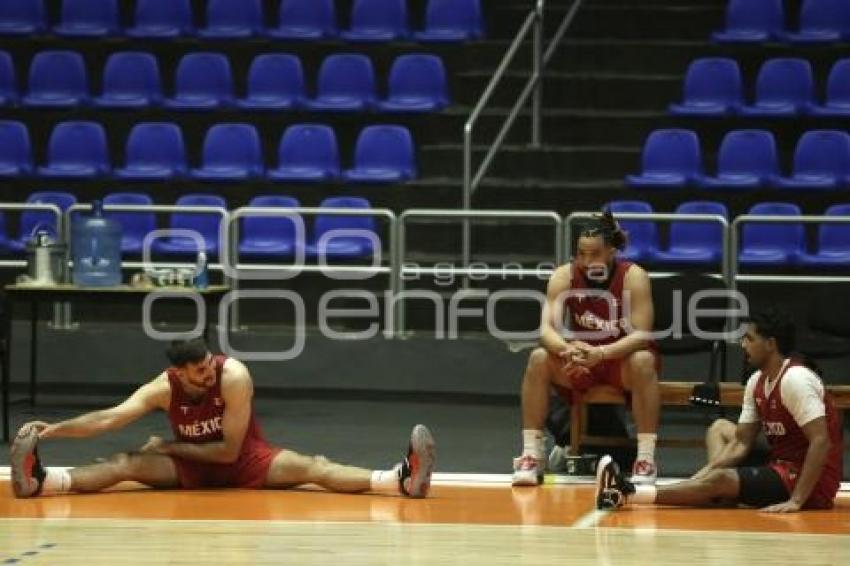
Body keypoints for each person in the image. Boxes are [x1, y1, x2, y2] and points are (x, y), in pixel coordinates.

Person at [10, 338, 436, 499]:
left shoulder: (234, 377)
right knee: (122, 463)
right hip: (191, 465)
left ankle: (400, 479)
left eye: (210, 365)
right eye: (199, 372)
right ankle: (40, 482)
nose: (208, 373)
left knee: (315, 467)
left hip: (244, 458)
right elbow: (109, 419)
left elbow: (230, 449)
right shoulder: (163, 387)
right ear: (179, 374)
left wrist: (168, 445)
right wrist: (56, 429)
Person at [596, 307, 843, 512]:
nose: (742, 344)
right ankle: (714, 491)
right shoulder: (758, 380)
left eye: (749, 338)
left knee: (721, 479)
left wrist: (797, 500)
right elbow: (739, 445)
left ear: (770, 344)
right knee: (720, 429)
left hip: (811, 483)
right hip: (781, 466)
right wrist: (699, 479)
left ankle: (628, 492)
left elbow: (821, 441)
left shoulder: (795, 379)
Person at [513, 211, 661, 486]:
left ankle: (645, 459)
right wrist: (566, 350)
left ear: (612, 252)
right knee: (539, 358)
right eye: (581, 253)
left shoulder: (634, 277)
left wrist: (602, 353)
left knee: (643, 360)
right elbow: (546, 329)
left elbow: (642, 335)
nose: (586, 261)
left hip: (621, 361)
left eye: (594, 253)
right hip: (582, 359)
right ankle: (531, 454)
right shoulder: (564, 276)